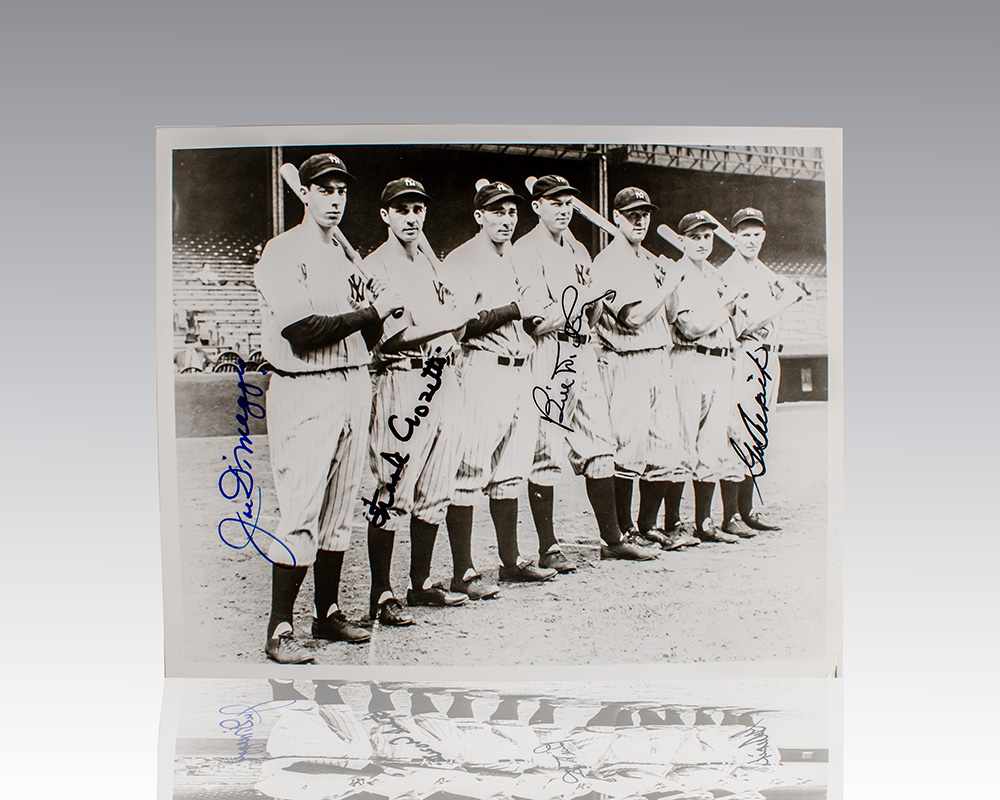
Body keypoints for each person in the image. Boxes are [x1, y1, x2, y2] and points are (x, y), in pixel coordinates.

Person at [253, 153, 404, 664]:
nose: (334, 198)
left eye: (341, 190)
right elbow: (301, 332)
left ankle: (328, 610)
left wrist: (382, 309)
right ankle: (279, 627)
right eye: (324, 188)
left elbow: (377, 332)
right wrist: (369, 311)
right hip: (304, 386)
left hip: (354, 382)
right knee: (301, 509)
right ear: (307, 193)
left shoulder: (346, 257)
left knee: (341, 507)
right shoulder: (281, 252)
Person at [510, 175, 658, 568]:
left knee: (601, 445)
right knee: (547, 450)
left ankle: (613, 539)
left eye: (568, 201)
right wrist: (582, 301)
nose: (563, 208)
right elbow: (536, 322)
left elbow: (592, 313)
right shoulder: (524, 252)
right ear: (536, 206)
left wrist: (592, 303)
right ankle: (548, 547)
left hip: (584, 349)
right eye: (554, 201)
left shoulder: (577, 249)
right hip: (549, 351)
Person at [362, 178, 476, 626]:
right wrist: (450, 321)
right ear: (386, 215)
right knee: (392, 486)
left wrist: (455, 326)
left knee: (436, 485)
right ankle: (381, 592)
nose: (412, 217)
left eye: (418, 209)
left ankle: (421, 583)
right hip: (403, 378)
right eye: (402, 208)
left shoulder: (433, 268)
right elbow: (394, 337)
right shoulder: (377, 267)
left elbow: (455, 327)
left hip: (442, 377)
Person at [440, 180, 554, 590]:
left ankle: (510, 561)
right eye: (497, 211)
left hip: (521, 367)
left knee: (512, 468)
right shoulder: (461, 259)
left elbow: (534, 317)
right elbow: (460, 323)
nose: (506, 219)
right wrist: (513, 308)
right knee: (469, 467)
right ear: (479, 216)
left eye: (511, 212)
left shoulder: (519, 260)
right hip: (483, 366)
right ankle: (463, 571)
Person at [591, 188, 696, 550]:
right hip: (626, 359)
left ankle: (648, 525)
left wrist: (672, 284)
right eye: (632, 214)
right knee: (628, 448)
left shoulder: (650, 261)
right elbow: (632, 318)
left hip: (659, 357)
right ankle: (622, 532)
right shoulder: (606, 262)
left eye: (645, 214)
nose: (639, 220)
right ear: (617, 217)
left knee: (666, 448)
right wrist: (667, 283)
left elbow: (668, 315)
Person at [718, 207, 805, 532]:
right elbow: (745, 324)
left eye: (756, 233)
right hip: (746, 353)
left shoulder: (762, 272)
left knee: (758, 430)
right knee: (740, 430)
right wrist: (786, 301)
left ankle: (747, 510)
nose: (752, 239)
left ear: (763, 235)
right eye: (745, 234)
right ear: (733, 236)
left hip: (770, 356)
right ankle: (731, 516)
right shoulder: (731, 272)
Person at [665, 211, 743, 544]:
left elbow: (734, 326)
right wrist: (724, 306)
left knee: (712, 444)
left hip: (720, 361)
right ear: (682, 240)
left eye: (707, 236)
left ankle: (704, 522)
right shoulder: (676, 273)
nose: (702, 242)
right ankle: (669, 524)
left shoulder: (713, 275)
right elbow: (690, 327)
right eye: (695, 236)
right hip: (690, 359)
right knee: (681, 443)